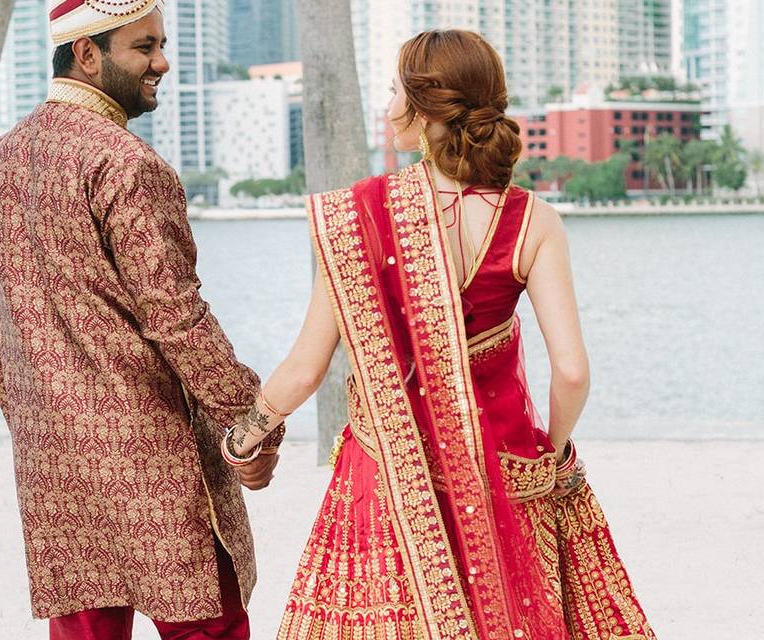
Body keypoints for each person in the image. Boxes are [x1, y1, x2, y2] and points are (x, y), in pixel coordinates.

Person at [222, 30, 656, 640]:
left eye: (396, 88)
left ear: (424, 109)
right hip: (504, 471)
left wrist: (243, 438)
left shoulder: (361, 216)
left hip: (386, 473)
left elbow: (305, 368)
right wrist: (554, 459)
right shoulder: (532, 218)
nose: (389, 102)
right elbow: (573, 371)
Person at [0, 1, 280, 638]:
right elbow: (177, 319)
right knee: (205, 626)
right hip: (155, 457)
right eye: (144, 47)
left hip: (56, 464)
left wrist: (38, 421)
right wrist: (251, 422)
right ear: (86, 53)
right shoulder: (126, 164)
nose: (162, 61)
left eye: (160, 43)